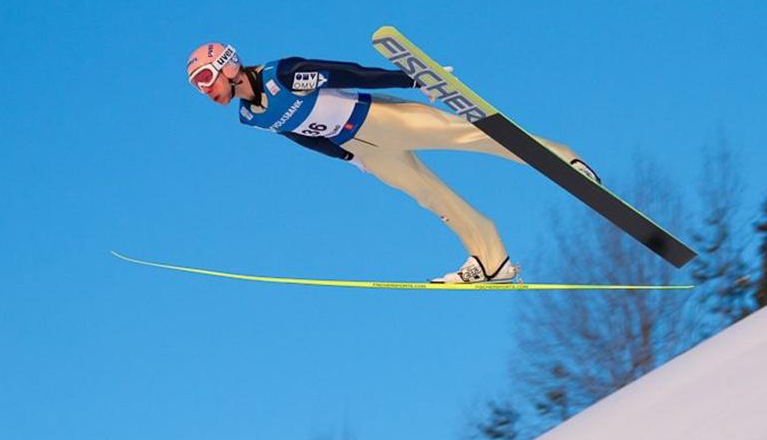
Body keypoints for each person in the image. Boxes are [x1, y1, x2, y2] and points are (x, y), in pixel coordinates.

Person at [185, 42, 600, 283]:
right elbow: (298, 134)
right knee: (432, 198)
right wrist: (346, 157)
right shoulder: (250, 117)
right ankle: (492, 261)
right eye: (197, 86)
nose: (206, 91)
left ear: (229, 66)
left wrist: (409, 80)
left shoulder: (285, 75)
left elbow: (345, 73)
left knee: (470, 135)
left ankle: (564, 161)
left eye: (206, 79)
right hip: (363, 148)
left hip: (379, 118)